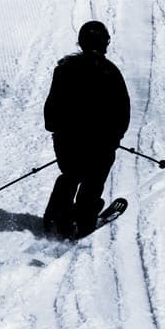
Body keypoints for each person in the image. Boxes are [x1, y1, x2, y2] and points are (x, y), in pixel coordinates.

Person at [41, 21, 130, 239]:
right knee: (93, 179)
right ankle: (84, 221)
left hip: (66, 141)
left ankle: (56, 217)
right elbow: (122, 111)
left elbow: (51, 111)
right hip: (101, 142)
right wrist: (114, 137)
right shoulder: (111, 73)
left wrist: (58, 129)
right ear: (105, 43)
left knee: (70, 174)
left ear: (81, 42)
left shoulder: (64, 69)